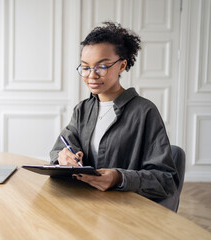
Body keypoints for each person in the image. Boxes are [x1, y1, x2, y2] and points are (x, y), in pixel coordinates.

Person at [50, 22, 179, 206]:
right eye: (85, 67)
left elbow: (166, 180)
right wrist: (62, 157)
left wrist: (120, 178)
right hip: (84, 204)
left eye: (102, 67)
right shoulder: (83, 110)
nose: (91, 75)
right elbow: (58, 149)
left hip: (124, 211)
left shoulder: (144, 112)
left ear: (122, 66)